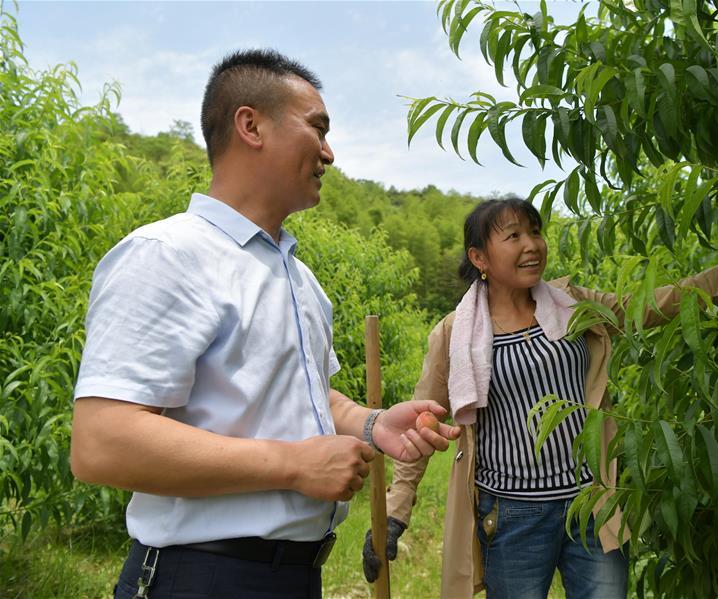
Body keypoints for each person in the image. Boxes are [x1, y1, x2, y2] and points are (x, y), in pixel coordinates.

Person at [70, 49, 460, 599]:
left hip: (296, 576)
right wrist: (293, 465)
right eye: (317, 128)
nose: (329, 151)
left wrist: (373, 424)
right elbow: (101, 443)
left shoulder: (300, 279)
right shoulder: (168, 254)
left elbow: (306, 398)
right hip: (200, 575)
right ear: (250, 124)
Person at [362, 198, 718, 598]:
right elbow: (423, 423)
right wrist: (395, 514)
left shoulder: (570, 304)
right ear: (479, 257)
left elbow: (641, 309)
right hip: (512, 515)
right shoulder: (456, 333)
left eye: (536, 232)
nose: (531, 245)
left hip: (592, 502)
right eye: (514, 236)